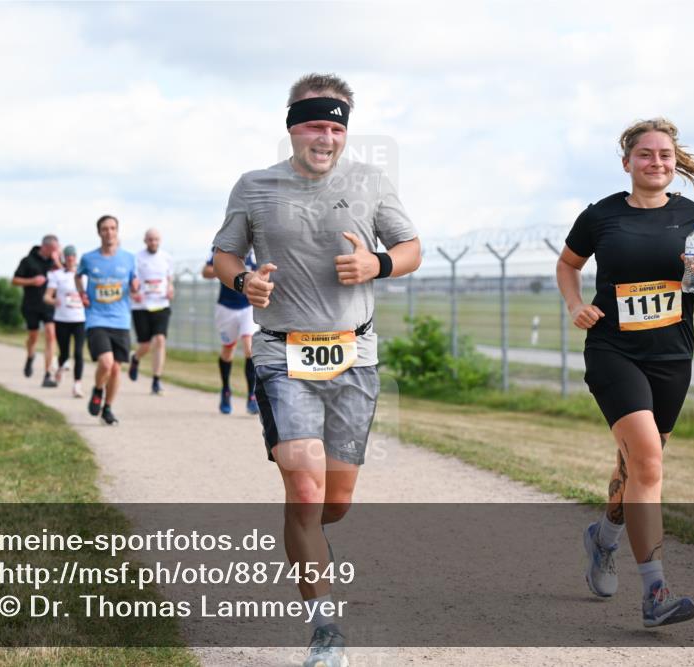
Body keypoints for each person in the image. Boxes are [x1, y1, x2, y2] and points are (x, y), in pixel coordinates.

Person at [211, 73, 421, 667]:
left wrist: (376, 263)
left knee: (335, 501)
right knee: (305, 483)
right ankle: (325, 629)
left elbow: (411, 248)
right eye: (314, 125)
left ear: (345, 132)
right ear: (292, 128)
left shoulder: (372, 182)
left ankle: (303, 525)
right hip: (281, 350)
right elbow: (226, 252)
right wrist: (241, 279)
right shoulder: (254, 187)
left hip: (354, 353)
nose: (324, 137)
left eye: (335, 127)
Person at [556, 118, 694, 628]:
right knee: (649, 461)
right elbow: (568, 265)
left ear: (675, 162)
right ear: (627, 161)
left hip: (672, 355)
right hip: (613, 349)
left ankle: (603, 538)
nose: (657, 162)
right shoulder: (601, 215)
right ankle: (656, 592)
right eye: (646, 154)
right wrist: (574, 305)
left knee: (635, 469)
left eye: (665, 155)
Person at [77, 215, 139, 425]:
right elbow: (78, 276)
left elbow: (134, 280)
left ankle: (108, 408)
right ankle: (97, 389)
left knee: (115, 369)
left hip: (121, 319)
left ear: (117, 231)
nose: (109, 232)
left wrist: (136, 286)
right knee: (106, 362)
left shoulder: (129, 258)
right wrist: (82, 294)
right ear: (99, 232)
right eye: (105, 229)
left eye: (113, 228)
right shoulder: (88, 258)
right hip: (96, 318)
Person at [202, 249, 259, 414]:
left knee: (249, 347)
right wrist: (225, 270)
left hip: (248, 306)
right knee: (228, 350)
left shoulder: (256, 248)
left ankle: (251, 395)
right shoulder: (221, 247)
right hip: (226, 307)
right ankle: (226, 389)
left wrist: (253, 275)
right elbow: (205, 271)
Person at [127, 228, 174, 395]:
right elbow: (130, 280)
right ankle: (135, 358)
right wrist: (133, 293)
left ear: (159, 240)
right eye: (150, 240)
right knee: (145, 345)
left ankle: (156, 380)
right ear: (145, 240)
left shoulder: (167, 258)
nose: (153, 243)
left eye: (156, 239)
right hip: (141, 306)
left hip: (161, 304)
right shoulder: (136, 258)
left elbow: (169, 279)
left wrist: (170, 289)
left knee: (160, 340)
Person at [12, 235, 60, 387]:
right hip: (31, 305)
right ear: (44, 247)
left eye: (57, 250)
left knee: (51, 336)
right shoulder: (28, 261)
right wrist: (32, 281)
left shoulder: (55, 263)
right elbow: (15, 280)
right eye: (53, 249)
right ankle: (30, 356)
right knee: (33, 336)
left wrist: (57, 260)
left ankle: (48, 374)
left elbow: (67, 275)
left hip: (49, 305)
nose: (55, 252)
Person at [44, 245, 86, 398]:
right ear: (64, 258)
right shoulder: (56, 275)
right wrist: (55, 301)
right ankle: (60, 368)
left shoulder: (83, 276)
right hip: (62, 319)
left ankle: (77, 385)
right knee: (65, 353)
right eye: (68, 256)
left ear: (76, 258)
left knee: (79, 353)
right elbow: (47, 297)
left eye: (73, 256)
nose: (70, 259)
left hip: (80, 319)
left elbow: (89, 296)